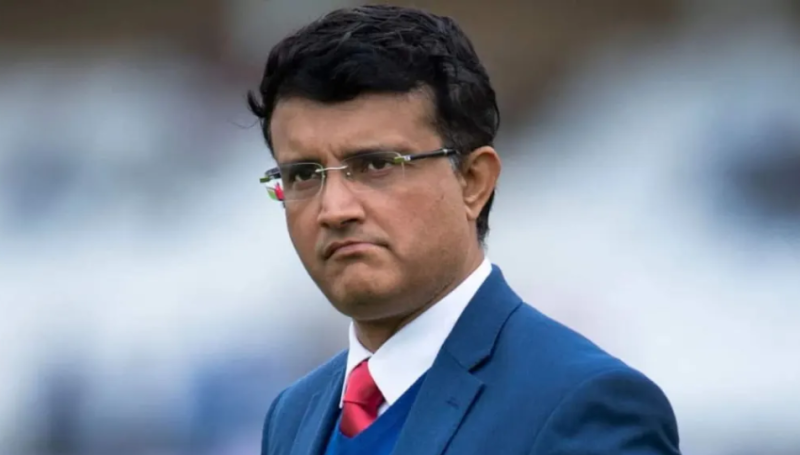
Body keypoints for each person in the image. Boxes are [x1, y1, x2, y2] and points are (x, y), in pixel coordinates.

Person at [247, 5, 681, 455]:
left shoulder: (581, 404)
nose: (334, 210)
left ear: (473, 181)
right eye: (303, 174)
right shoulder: (293, 414)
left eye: (376, 165)